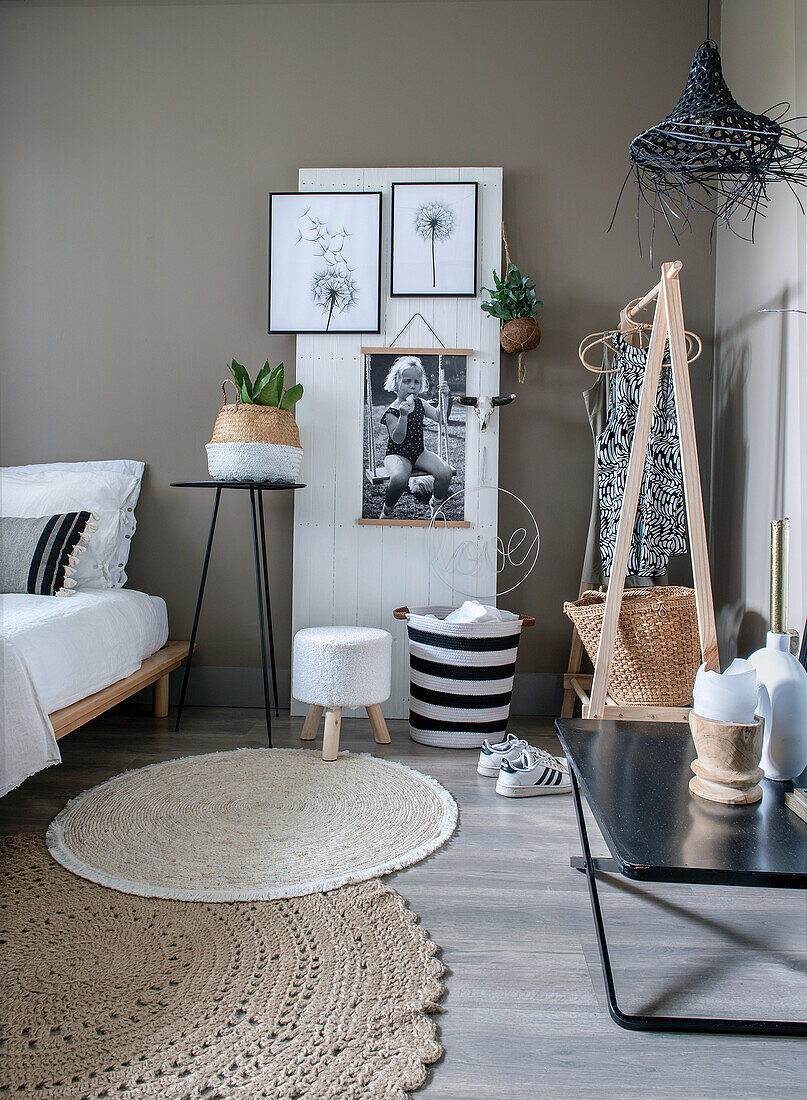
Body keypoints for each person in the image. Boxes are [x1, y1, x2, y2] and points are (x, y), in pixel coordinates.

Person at [379, 356, 453, 519]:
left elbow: (440, 417)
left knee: (445, 473)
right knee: (399, 478)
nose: (412, 386)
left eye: (416, 382)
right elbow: (397, 439)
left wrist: (445, 397)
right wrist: (403, 416)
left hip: (419, 452)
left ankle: (436, 504)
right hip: (396, 454)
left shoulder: (420, 403)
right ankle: (387, 510)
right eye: (406, 381)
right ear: (396, 384)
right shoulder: (392, 411)